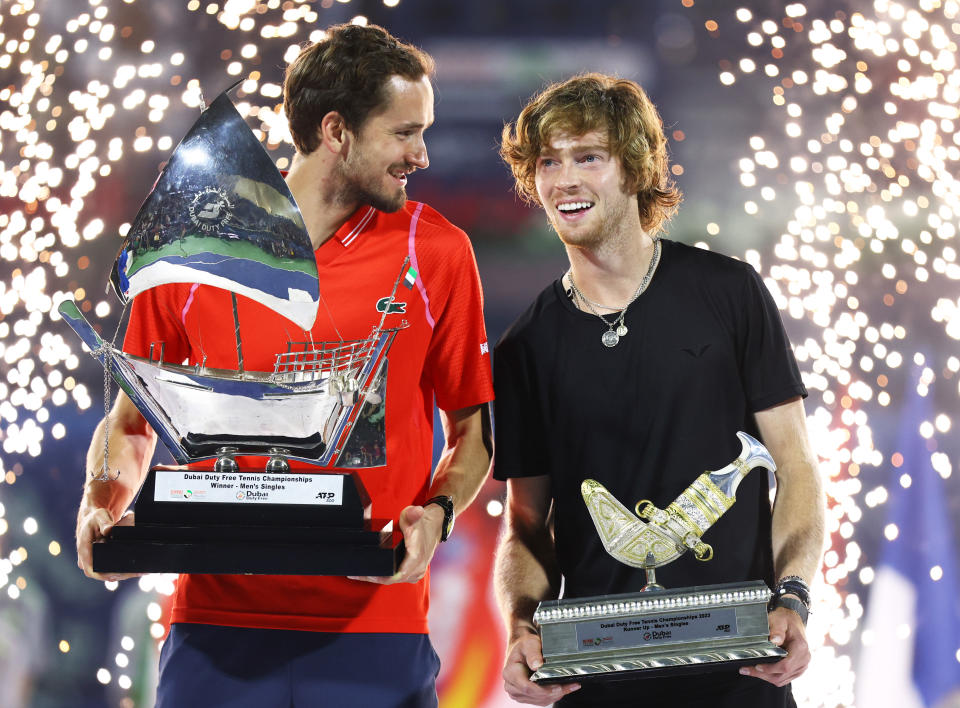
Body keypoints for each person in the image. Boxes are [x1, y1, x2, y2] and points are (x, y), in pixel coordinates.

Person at [75, 24, 494, 708]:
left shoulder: (438, 250)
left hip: (375, 626)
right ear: (337, 131)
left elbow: (473, 432)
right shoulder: (192, 245)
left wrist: (438, 516)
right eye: (404, 132)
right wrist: (103, 499)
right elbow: (131, 423)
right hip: (215, 627)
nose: (422, 154)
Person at [492, 73, 825, 707]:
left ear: (636, 166)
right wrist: (520, 628)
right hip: (596, 682)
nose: (564, 180)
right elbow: (527, 524)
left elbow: (797, 469)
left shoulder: (730, 293)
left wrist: (794, 598)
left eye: (588, 156)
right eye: (547, 162)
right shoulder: (525, 347)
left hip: (741, 674)